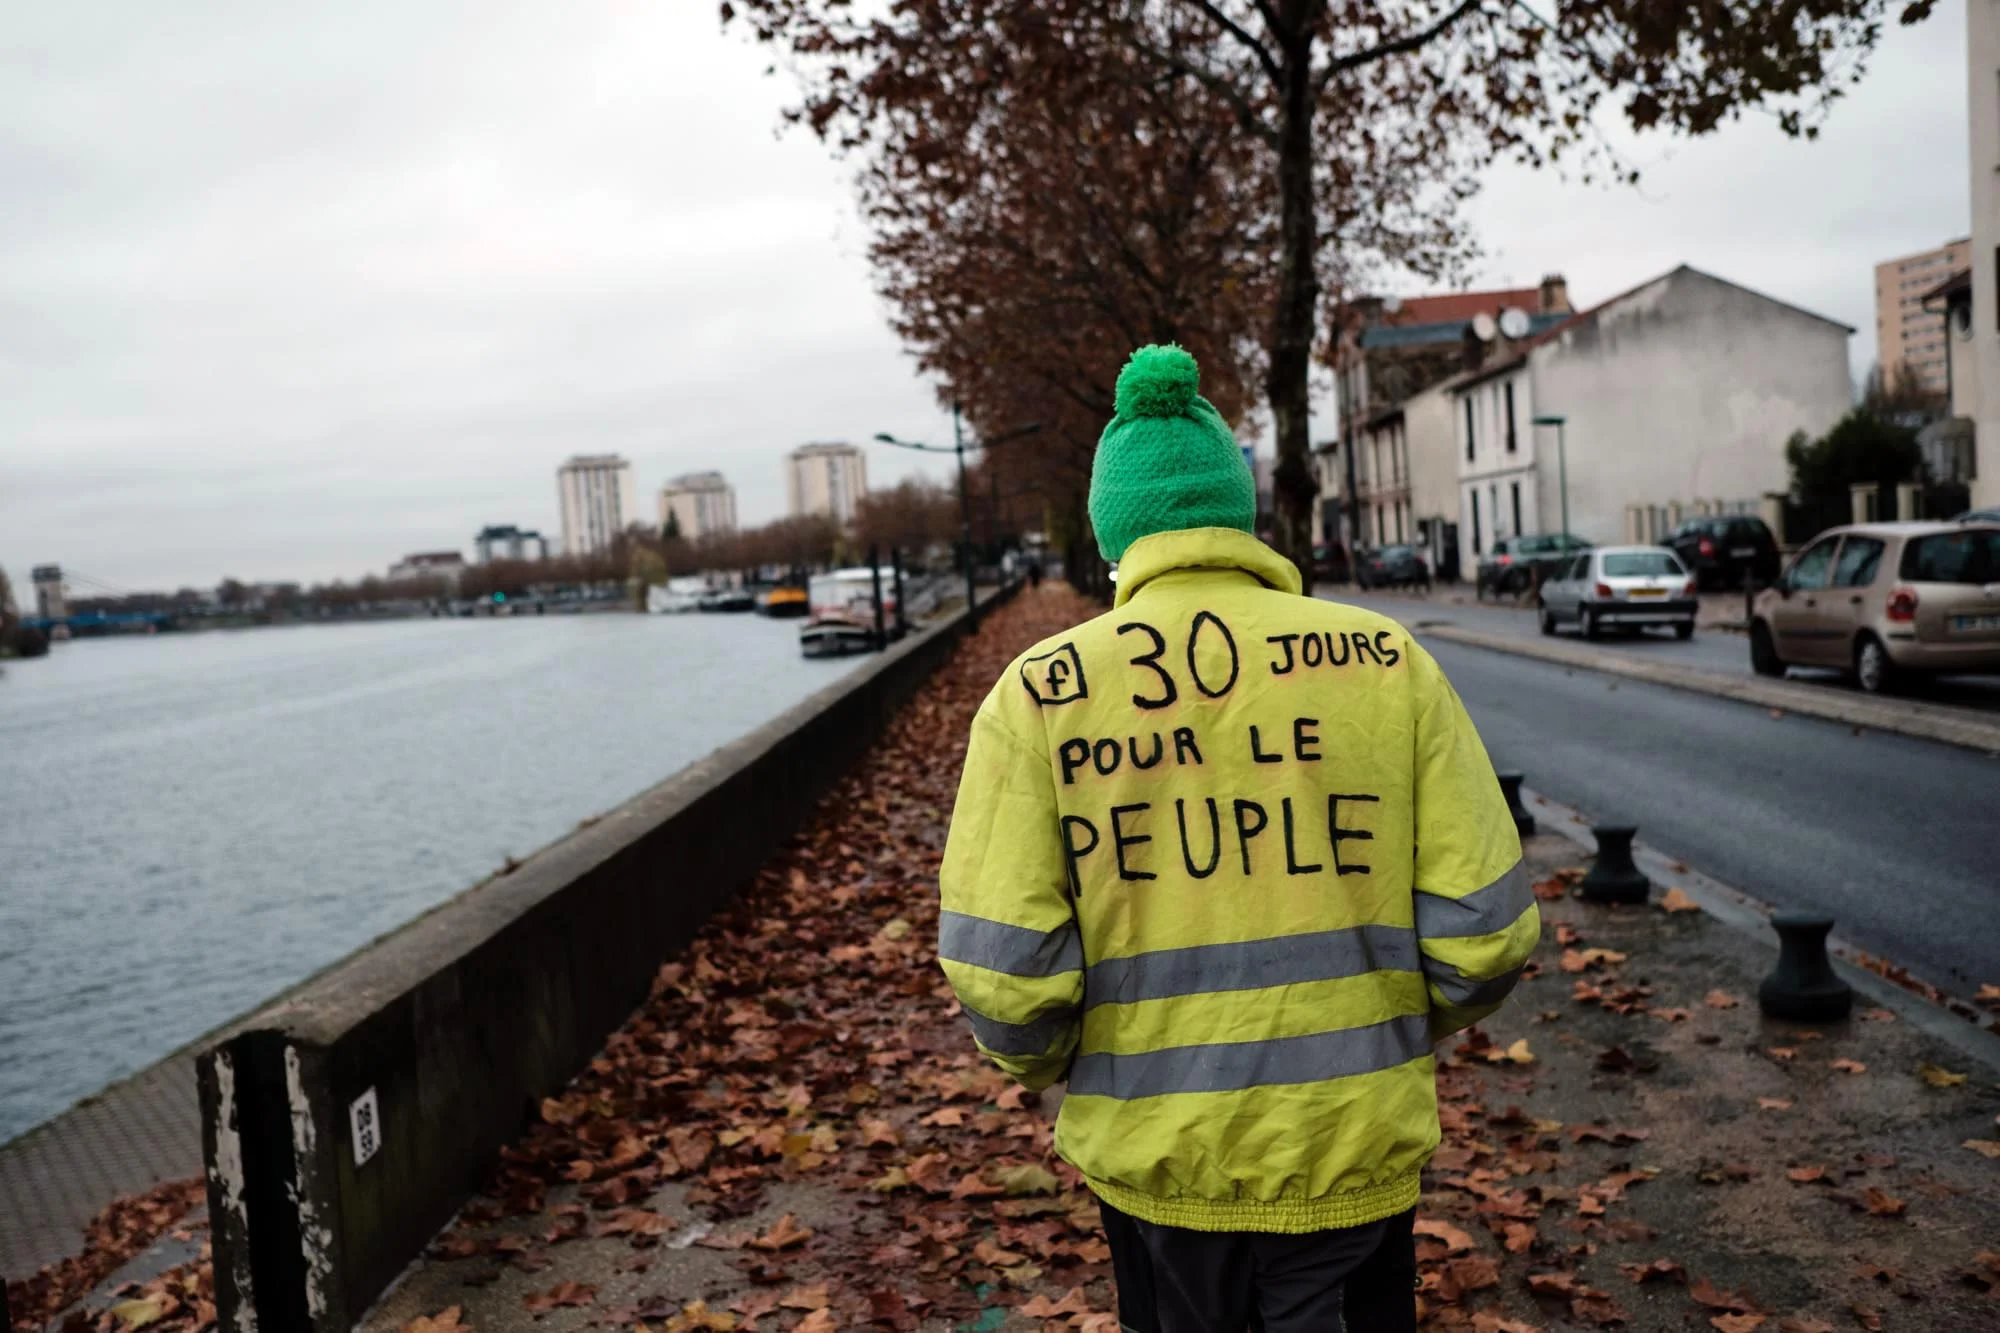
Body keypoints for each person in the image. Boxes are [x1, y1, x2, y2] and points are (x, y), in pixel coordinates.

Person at [938, 344, 1539, 1332]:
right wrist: (1385, 1026)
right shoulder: (1387, 665)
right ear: (1241, 514)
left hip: (1154, 1171)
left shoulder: (1035, 697)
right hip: (1351, 1154)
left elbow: (1005, 977)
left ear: (1109, 539)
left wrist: (1063, 1065)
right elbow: (1486, 933)